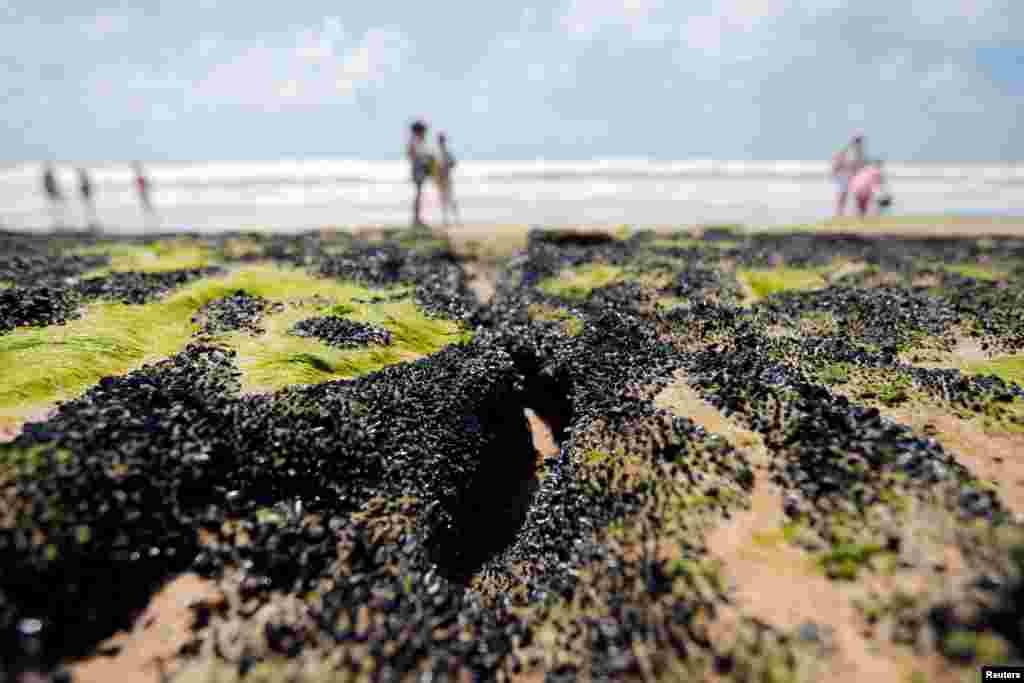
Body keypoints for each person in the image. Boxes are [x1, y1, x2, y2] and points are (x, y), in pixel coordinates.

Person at [406, 120, 435, 228]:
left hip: (420, 169)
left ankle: (417, 218)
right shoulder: (414, 142)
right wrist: (424, 161)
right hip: (418, 170)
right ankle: (416, 219)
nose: (425, 133)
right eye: (424, 131)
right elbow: (412, 156)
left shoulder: (418, 141)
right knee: (418, 194)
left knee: (419, 194)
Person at [831, 134, 865, 216]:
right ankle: (839, 215)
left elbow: (858, 164)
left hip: (850, 177)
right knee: (843, 198)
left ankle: (857, 214)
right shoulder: (846, 154)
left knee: (855, 198)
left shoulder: (855, 153)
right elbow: (838, 165)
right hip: (845, 177)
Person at [436, 132, 461, 227]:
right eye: (440, 140)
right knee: (444, 200)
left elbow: (453, 163)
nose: (441, 142)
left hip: (446, 178)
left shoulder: (446, 152)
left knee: (450, 199)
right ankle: (446, 220)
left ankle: (456, 219)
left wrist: (446, 166)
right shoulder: (437, 152)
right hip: (440, 179)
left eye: (442, 140)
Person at [42, 164, 65, 229]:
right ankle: (58, 224)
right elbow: (48, 185)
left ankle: (59, 224)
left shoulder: (48, 176)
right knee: (55, 209)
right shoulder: (47, 176)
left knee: (57, 209)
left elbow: (51, 185)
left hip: (53, 193)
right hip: (52, 193)